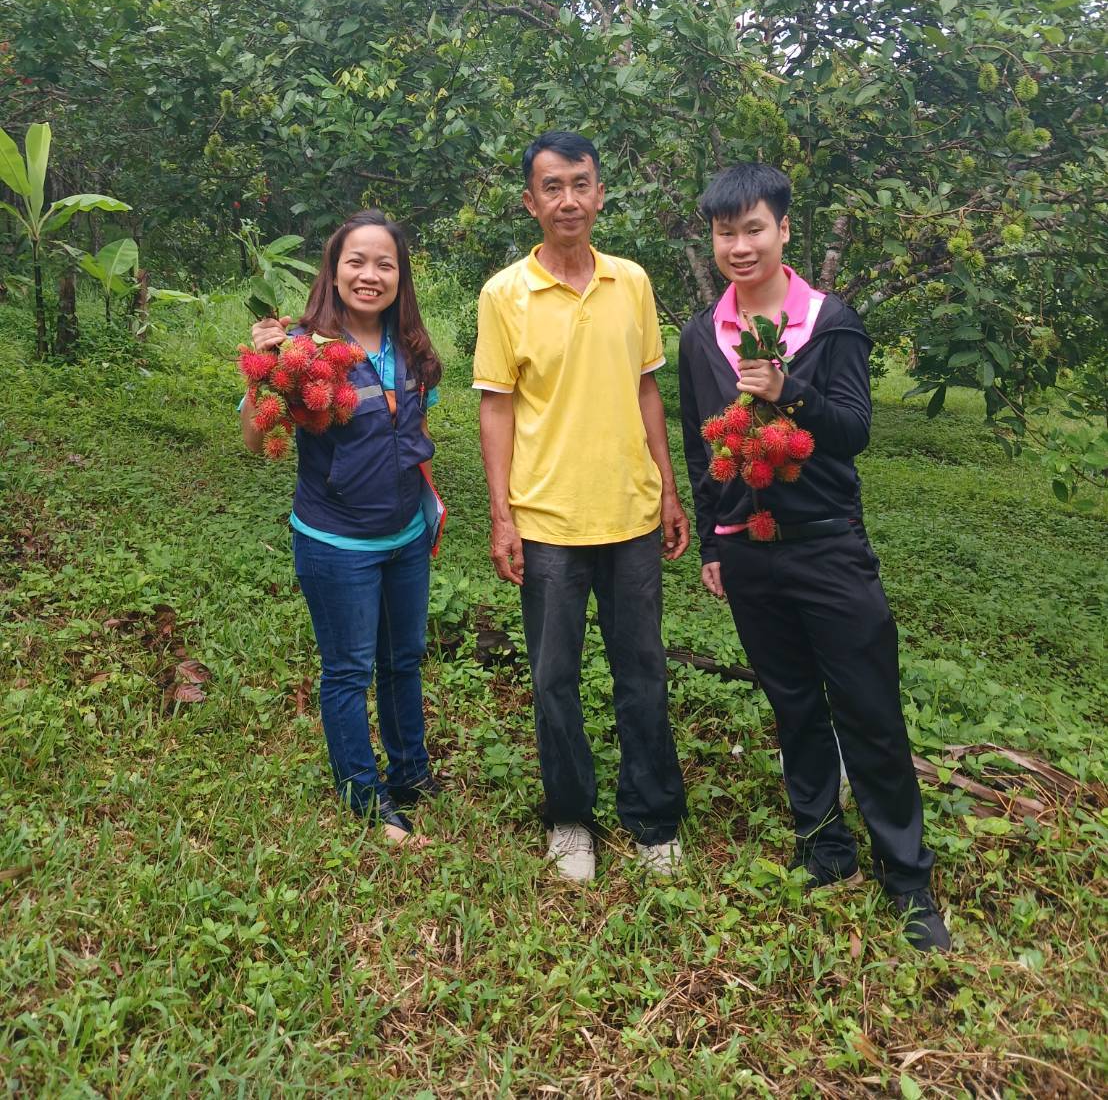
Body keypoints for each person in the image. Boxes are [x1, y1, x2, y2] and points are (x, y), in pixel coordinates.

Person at [677, 162, 951, 952]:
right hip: (751, 554)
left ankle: (907, 877)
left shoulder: (830, 321)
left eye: (753, 228)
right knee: (793, 702)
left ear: (784, 229)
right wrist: (714, 540)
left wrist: (785, 391)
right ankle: (824, 845)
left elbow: (854, 428)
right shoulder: (703, 335)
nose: (739, 245)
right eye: (726, 232)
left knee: (868, 708)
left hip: (829, 544)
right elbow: (703, 451)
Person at [473, 130, 689, 882]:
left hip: (629, 511)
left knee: (643, 670)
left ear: (600, 193)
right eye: (552, 186)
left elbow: (645, 388)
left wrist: (667, 485)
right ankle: (570, 818)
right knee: (553, 676)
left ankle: (654, 816)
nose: (568, 199)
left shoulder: (631, 281)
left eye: (581, 184)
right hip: (548, 520)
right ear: (530, 201)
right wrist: (502, 513)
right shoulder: (505, 294)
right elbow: (496, 408)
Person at [241, 210, 442, 847]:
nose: (369, 274)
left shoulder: (410, 348)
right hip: (336, 543)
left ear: (400, 277)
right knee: (349, 670)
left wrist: (429, 500)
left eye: (385, 263)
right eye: (356, 260)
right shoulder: (300, 348)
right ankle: (364, 793)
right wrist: (260, 368)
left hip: (405, 535)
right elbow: (253, 438)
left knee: (403, 660)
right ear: (334, 269)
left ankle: (411, 773)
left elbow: (416, 434)